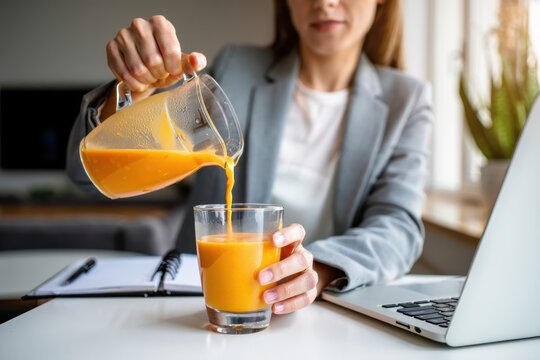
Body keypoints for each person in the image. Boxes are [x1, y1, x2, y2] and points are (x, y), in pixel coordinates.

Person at [67, 0, 432, 316]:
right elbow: (86, 176)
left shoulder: (406, 99)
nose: (325, 1)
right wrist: (132, 93)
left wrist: (315, 269)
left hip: (325, 318)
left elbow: (398, 227)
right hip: (196, 307)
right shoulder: (236, 68)